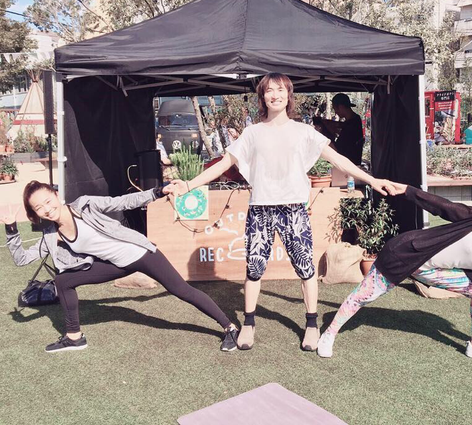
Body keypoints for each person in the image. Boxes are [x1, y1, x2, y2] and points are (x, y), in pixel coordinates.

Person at [170, 73, 400, 351]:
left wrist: (373, 181)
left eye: (280, 90)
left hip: (294, 211)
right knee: (254, 270)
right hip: (260, 211)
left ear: (289, 95)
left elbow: (338, 159)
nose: (275, 95)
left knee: (305, 270)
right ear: (262, 96)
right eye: (269, 90)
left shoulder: (303, 132)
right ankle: (249, 324)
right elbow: (222, 165)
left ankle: (312, 325)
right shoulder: (252, 133)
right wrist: (189, 185)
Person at [317, 182, 472, 360]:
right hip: (406, 254)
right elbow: (445, 207)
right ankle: (329, 335)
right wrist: (408, 191)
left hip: (431, 273)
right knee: (363, 296)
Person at [2, 181, 239, 353]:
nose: (46, 208)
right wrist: (11, 229)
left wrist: (157, 191)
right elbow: (22, 259)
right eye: (38, 207)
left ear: (56, 195)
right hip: (116, 265)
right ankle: (74, 337)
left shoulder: (83, 206)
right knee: (64, 281)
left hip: (141, 253)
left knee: (182, 290)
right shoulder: (51, 234)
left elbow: (122, 202)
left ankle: (229, 327)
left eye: (47, 200)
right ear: (35, 214)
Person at [314, 93, 364, 165]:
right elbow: (342, 125)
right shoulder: (355, 120)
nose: (336, 112)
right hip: (350, 163)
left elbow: (337, 150)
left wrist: (323, 135)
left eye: (335, 109)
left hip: (348, 165)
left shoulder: (352, 124)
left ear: (340, 107)